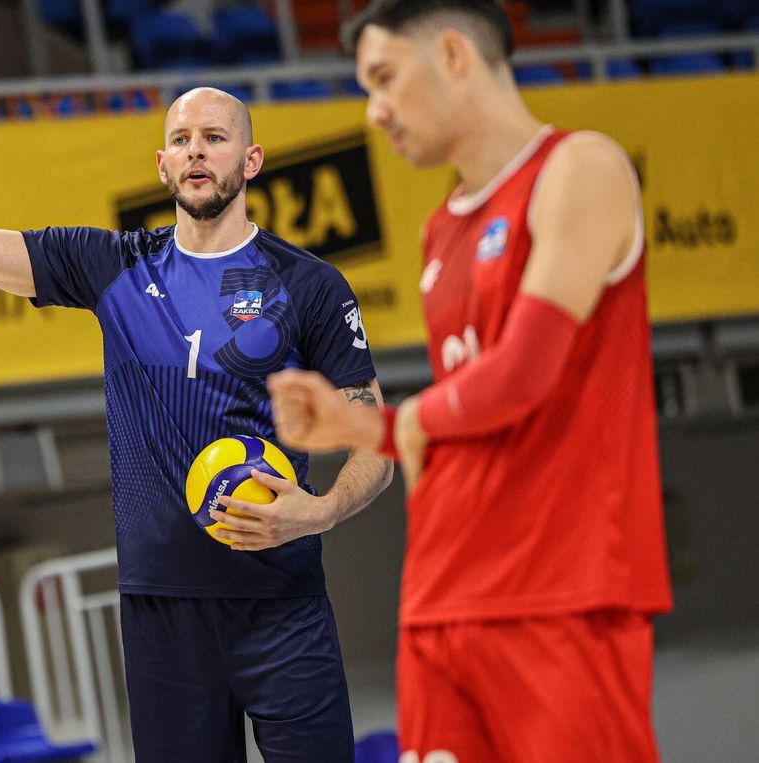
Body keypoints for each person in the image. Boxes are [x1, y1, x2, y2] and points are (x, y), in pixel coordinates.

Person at [0, 87, 393, 762]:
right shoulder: (115, 265)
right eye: (181, 137)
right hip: (162, 614)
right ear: (163, 164)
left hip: (284, 606)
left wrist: (319, 511)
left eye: (216, 136)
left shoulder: (310, 285)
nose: (196, 147)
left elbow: (377, 441)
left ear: (251, 160)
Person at [267, 2, 674, 761]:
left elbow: (522, 373)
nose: (375, 111)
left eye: (385, 79)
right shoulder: (440, 227)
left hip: (561, 590)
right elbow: (455, 420)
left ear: (453, 54)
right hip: (441, 593)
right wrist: (362, 428)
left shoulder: (579, 167)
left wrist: (385, 426)